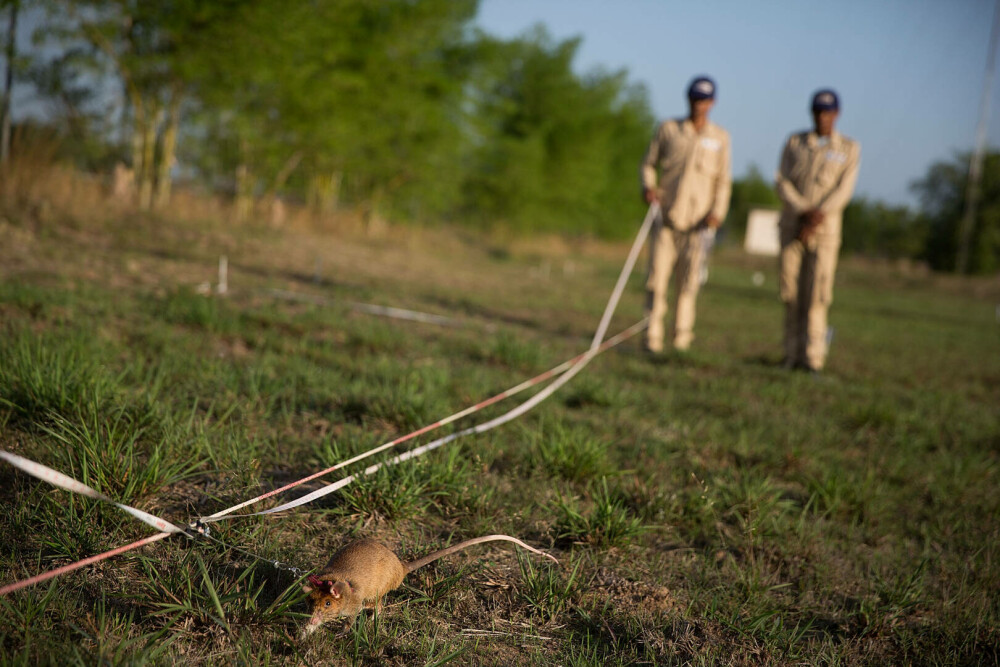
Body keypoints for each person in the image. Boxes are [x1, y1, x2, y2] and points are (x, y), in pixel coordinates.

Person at [639, 76, 732, 353]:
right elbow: (648, 164)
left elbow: (723, 181)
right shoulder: (668, 129)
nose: (698, 104)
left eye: (704, 100)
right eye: (694, 98)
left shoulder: (721, 138)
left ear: (712, 102)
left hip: (699, 226)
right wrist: (649, 187)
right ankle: (650, 341)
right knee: (656, 282)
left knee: (688, 285)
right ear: (687, 98)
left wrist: (717, 213)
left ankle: (680, 342)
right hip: (666, 221)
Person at [774, 89, 861, 373]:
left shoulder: (848, 148)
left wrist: (815, 219)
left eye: (827, 112)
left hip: (824, 233)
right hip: (793, 228)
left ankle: (813, 359)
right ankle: (790, 355)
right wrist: (802, 211)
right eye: (817, 111)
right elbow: (781, 181)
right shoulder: (795, 142)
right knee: (790, 293)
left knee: (817, 296)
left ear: (836, 114)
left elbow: (843, 190)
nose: (822, 117)